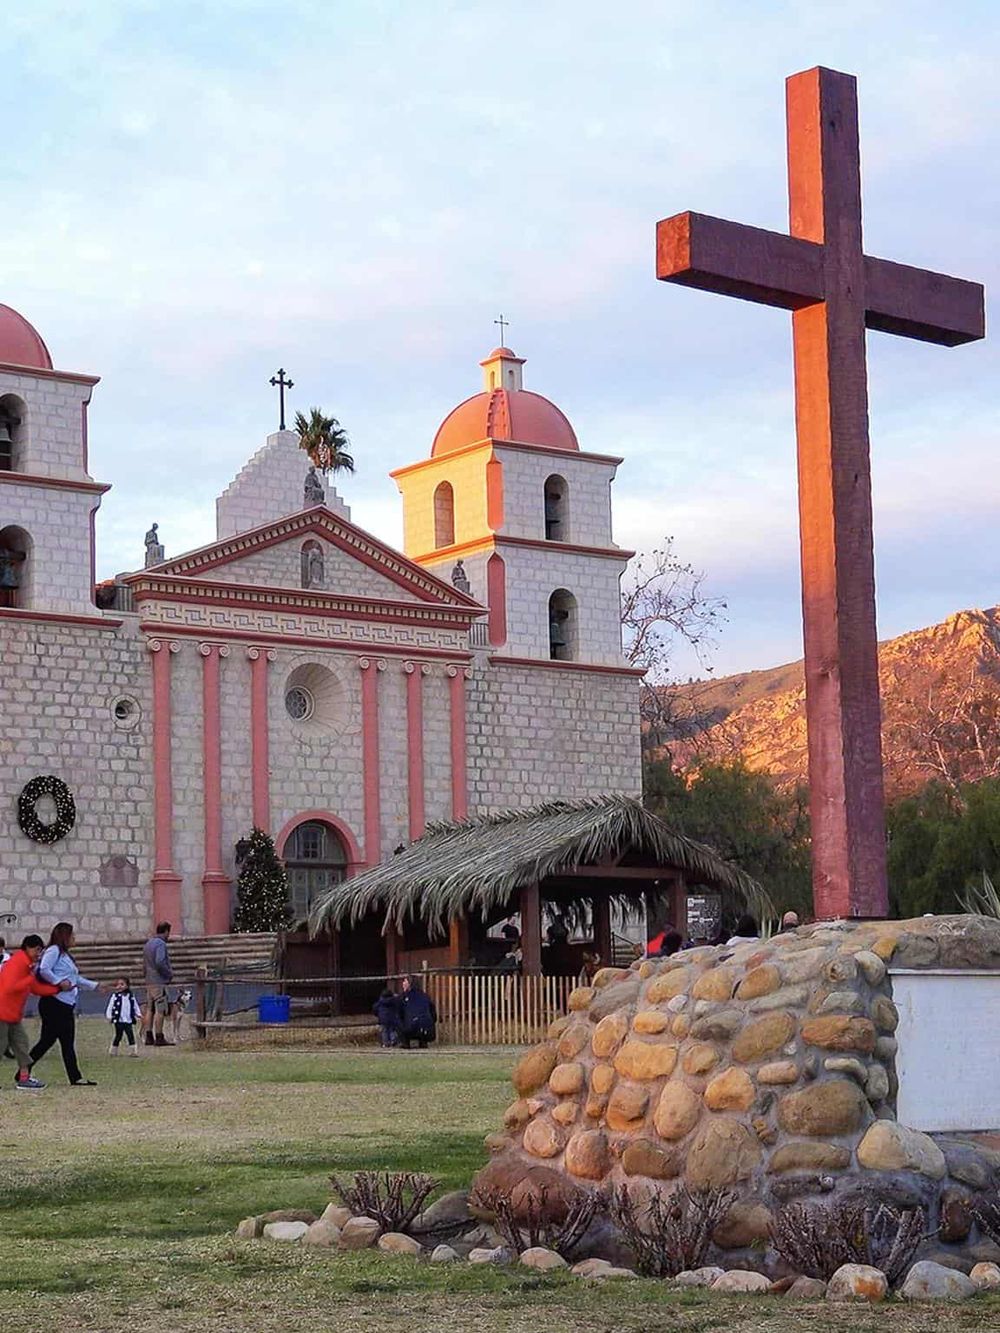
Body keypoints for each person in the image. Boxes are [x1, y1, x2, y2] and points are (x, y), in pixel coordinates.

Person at [30, 921, 105, 1086]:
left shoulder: (65, 955)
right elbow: (44, 969)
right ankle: (25, 1070)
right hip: (55, 1003)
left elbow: (74, 978)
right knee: (52, 1041)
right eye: (72, 935)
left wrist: (95, 985)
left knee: (59, 1041)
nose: (74, 938)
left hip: (64, 1004)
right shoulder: (54, 951)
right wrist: (59, 982)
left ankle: (75, 1077)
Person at [0, 934, 71, 1091]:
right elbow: (10, 986)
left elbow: (36, 989)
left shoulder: (27, 965)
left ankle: (24, 1079)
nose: (39, 954)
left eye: (40, 950)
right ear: (27, 948)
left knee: (22, 1045)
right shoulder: (17, 963)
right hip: (2, 1013)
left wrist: (58, 989)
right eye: (37, 950)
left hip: (13, 1015)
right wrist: (30, 979)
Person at [143, 921, 174, 1047]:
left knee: (150, 1009)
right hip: (158, 981)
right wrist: (168, 974)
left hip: (149, 980)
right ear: (166, 931)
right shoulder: (161, 944)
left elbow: (144, 964)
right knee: (160, 1010)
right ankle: (159, 1036)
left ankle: (148, 1035)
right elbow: (160, 961)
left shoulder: (148, 943)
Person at [106, 977, 142, 1056]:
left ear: (127, 986)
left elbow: (135, 1005)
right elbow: (110, 1006)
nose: (119, 986)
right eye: (118, 984)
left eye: (122, 984)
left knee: (130, 1035)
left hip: (128, 1020)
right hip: (119, 1020)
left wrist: (138, 1014)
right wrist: (109, 1016)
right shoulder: (115, 996)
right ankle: (113, 1050)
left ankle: (133, 1051)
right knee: (118, 1035)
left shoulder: (131, 996)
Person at [398, 976, 437, 1049]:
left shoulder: (403, 996)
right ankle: (423, 1041)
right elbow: (433, 1012)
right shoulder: (425, 996)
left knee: (399, 1019)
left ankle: (405, 1042)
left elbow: (399, 1013)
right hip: (428, 1029)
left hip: (411, 1028)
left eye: (404, 981)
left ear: (409, 984)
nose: (403, 983)